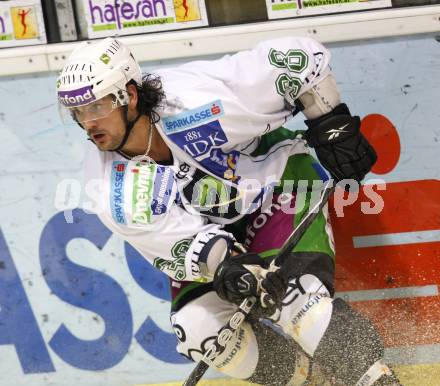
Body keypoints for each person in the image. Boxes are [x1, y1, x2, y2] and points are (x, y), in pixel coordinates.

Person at [57, 37, 401, 385]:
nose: (88, 123)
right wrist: (227, 262)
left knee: (296, 302)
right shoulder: (109, 186)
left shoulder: (197, 101)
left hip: (276, 188)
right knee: (199, 330)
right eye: (78, 112)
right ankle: (312, 380)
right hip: (209, 229)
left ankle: (376, 379)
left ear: (129, 96)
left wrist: (331, 123)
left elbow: (296, 57)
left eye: (96, 107)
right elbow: (182, 244)